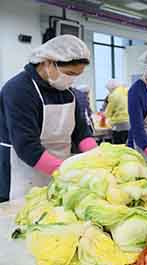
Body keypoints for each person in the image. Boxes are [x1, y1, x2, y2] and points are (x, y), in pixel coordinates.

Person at [0, 35, 97, 200]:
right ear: (47, 62)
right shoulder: (18, 90)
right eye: (69, 73)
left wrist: (99, 158)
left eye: (77, 75)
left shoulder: (67, 92)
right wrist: (68, 173)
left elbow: (81, 133)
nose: (71, 80)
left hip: (58, 169)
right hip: (22, 171)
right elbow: (26, 147)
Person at [104, 79, 129, 144]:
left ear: (111, 88)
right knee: (127, 144)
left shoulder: (113, 95)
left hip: (119, 123)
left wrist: (105, 116)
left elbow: (108, 112)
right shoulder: (126, 91)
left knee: (118, 145)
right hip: (129, 122)